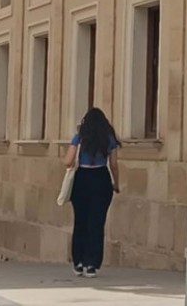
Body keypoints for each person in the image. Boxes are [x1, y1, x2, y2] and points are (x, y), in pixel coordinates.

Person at [62, 107, 121, 278]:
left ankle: (78, 262)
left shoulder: (79, 137)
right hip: (101, 178)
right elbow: (114, 165)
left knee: (80, 221)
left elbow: (68, 161)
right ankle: (92, 264)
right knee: (97, 222)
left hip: (82, 179)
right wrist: (116, 184)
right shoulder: (109, 139)